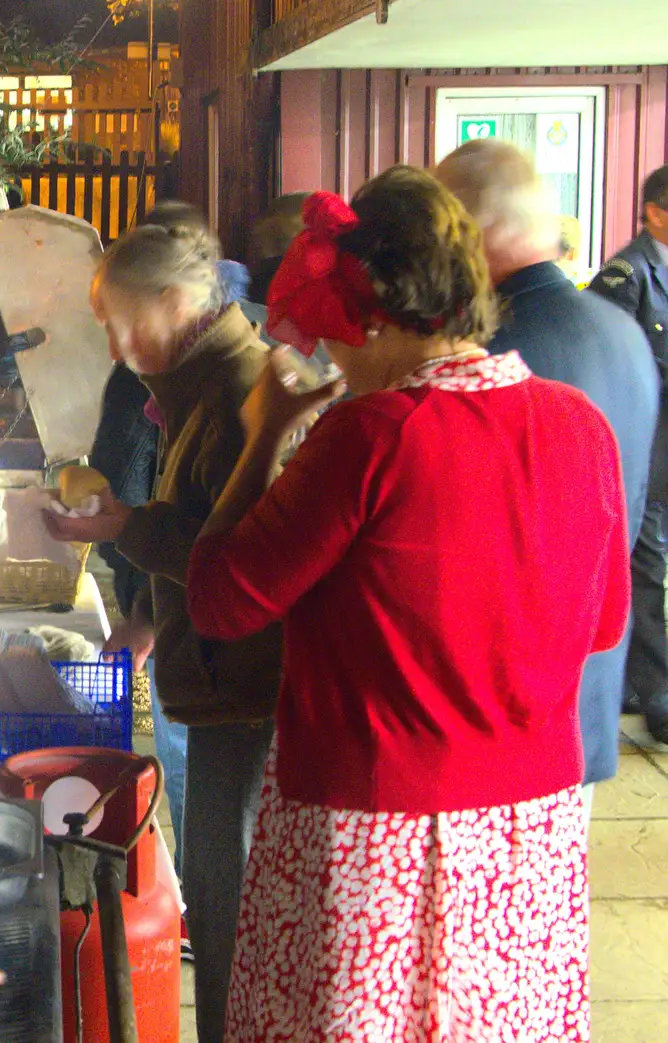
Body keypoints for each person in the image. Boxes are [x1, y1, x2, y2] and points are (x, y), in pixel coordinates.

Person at [187, 170, 629, 1041]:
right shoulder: (579, 422)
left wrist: (266, 430)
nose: (332, 356)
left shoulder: (372, 434)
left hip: (372, 833)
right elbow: (605, 621)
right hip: (526, 834)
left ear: (377, 319)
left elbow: (220, 599)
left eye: (336, 333)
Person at [44, 222, 283, 1043]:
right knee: (218, 901)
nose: (110, 343)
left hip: (245, 694)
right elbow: (195, 524)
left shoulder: (242, 391)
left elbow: (248, 559)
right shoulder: (199, 387)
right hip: (217, 681)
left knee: (231, 907)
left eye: (118, 320)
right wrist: (124, 537)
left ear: (176, 302)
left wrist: (127, 529)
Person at [437, 139, 659, 804]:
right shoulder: (621, 331)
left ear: (475, 232)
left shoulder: (492, 350)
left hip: (508, 703)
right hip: (588, 684)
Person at [590, 164, 668, 747]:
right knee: (646, 565)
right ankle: (654, 693)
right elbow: (609, 360)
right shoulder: (628, 273)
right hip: (644, 447)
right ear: (657, 213)